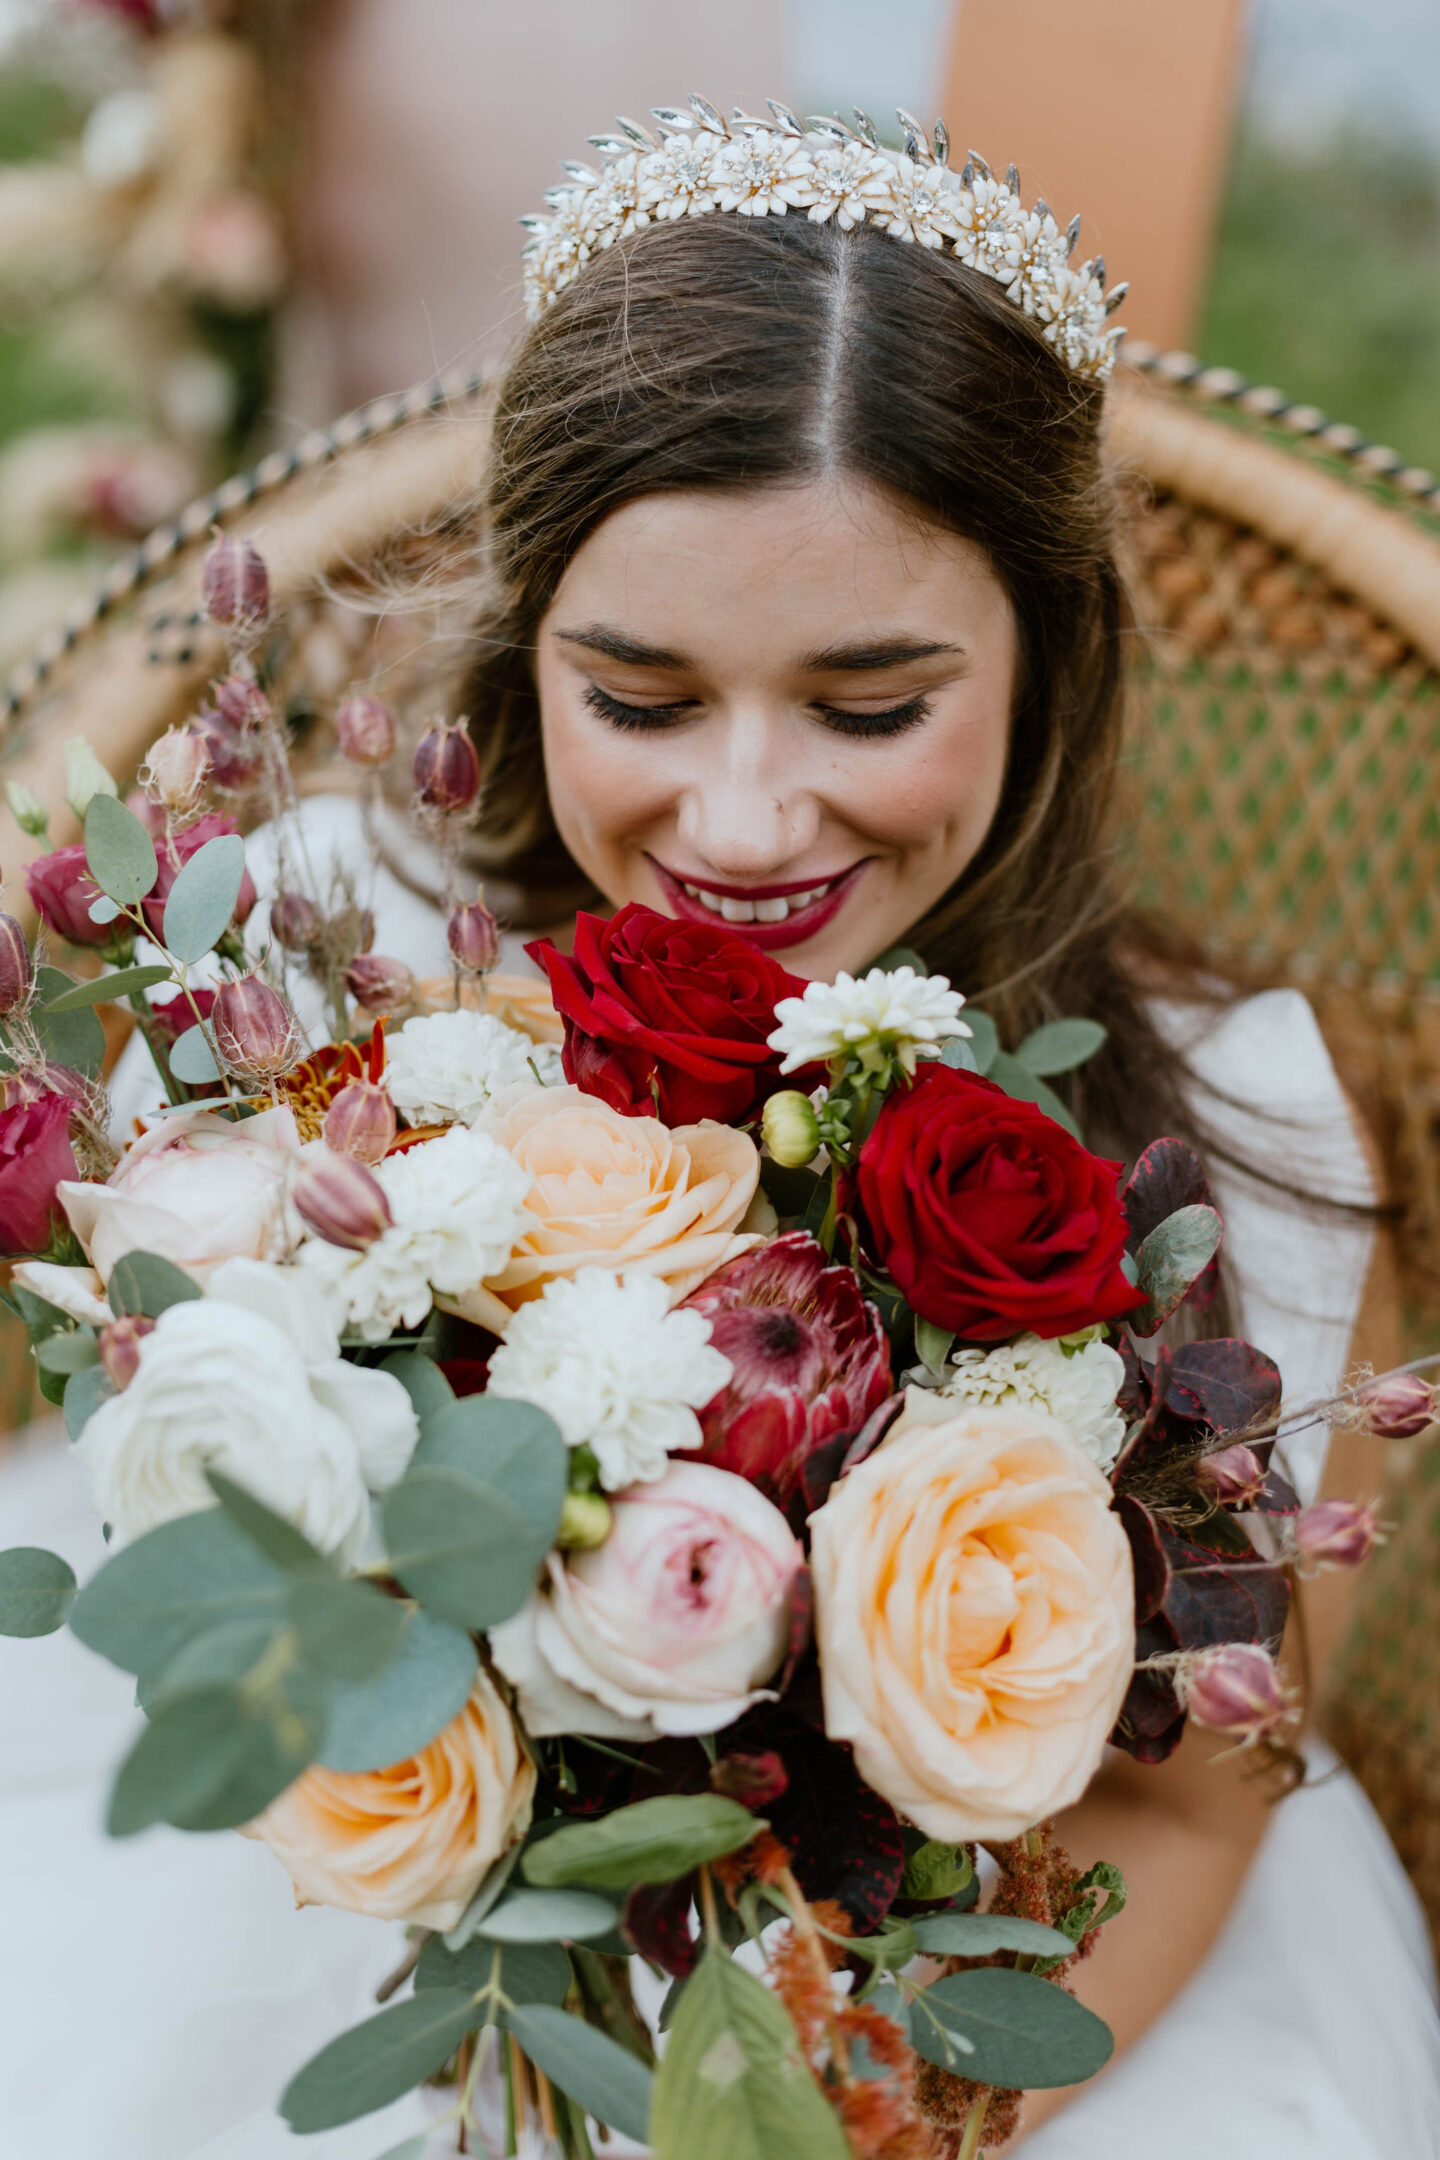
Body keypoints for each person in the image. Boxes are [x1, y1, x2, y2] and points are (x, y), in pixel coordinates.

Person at [5, 101, 1440, 2158]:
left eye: (871, 707)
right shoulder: (352, 983)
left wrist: (871, 2121)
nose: (751, 821)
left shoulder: (1223, 1126)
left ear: (1052, 661)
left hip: (986, 1983)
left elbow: (1195, 1790)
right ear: (532, 652)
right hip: (356, 1900)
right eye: (647, 700)